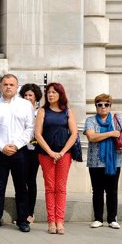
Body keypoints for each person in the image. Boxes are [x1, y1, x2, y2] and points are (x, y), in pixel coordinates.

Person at [0, 74, 34, 233]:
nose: (8, 87)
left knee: (21, 187)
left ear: (17, 86)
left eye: (11, 84)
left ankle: (22, 220)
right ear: (0, 86)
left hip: (20, 152)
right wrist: (1, 146)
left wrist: (17, 145)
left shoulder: (26, 105)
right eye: (5, 84)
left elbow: (30, 128)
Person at [34, 83, 78, 235]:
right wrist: (51, 152)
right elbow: (38, 135)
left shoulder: (67, 112)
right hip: (46, 154)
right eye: (48, 92)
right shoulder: (42, 111)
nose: (50, 95)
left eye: (54, 92)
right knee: (50, 187)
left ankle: (60, 221)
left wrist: (62, 152)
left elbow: (74, 134)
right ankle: (51, 221)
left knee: (61, 188)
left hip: (64, 154)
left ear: (60, 94)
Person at [84, 94, 122, 230]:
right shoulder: (90, 120)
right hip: (95, 162)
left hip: (114, 161)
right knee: (97, 191)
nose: (103, 107)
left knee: (112, 191)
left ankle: (112, 219)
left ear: (110, 106)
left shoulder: (117, 120)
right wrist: (111, 133)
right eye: (99, 104)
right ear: (96, 107)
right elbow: (91, 137)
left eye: (106, 104)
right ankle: (98, 218)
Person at [19, 83, 43, 224]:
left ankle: (30, 213)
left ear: (36, 97)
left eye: (30, 95)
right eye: (25, 95)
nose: (27, 97)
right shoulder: (19, 109)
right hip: (22, 148)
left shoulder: (40, 111)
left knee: (31, 180)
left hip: (35, 149)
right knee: (21, 181)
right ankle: (22, 212)